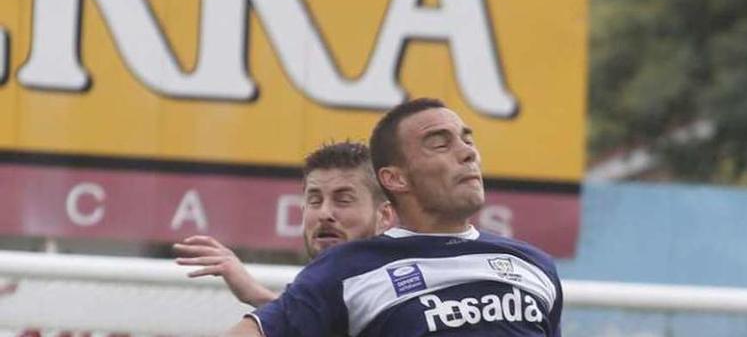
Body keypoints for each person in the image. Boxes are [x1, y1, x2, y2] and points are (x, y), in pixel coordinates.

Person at [226, 98, 563, 336]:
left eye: (467, 140)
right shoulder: (346, 270)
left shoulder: (534, 265)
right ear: (395, 179)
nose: (468, 152)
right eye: (439, 144)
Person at [174, 141, 395, 307]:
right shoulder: (314, 293)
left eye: (343, 200)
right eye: (314, 200)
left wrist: (258, 296)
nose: (324, 213)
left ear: (384, 216)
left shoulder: (404, 293)